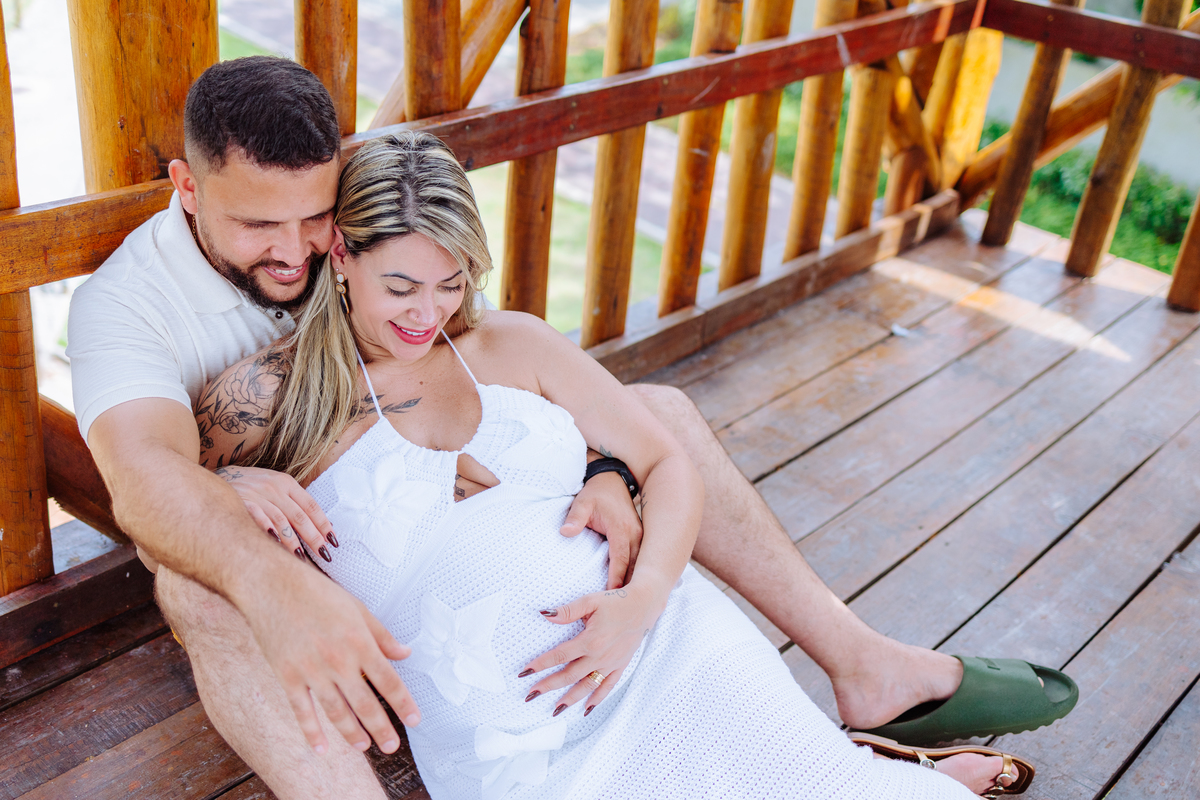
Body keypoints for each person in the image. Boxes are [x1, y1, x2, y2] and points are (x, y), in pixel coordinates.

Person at [67, 57, 1072, 797]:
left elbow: (477, 335)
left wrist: (603, 466)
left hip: (512, 536)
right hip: (331, 551)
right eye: (258, 227)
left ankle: (860, 668)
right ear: (186, 187)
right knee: (189, 577)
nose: (295, 249)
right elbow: (147, 476)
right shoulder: (134, 309)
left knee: (659, 422)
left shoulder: (378, 223)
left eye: (315, 219)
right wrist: (234, 509)